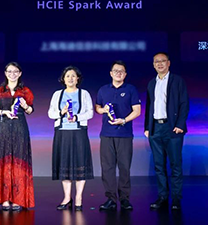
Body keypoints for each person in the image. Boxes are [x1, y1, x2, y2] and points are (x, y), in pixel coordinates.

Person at [144, 52, 189, 210]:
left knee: (175, 164)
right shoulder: (152, 83)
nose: (160, 63)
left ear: (169, 63)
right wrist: (147, 127)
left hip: (173, 128)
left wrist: (180, 124)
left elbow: (184, 103)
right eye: (157, 61)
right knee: (159, 165)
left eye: (163, 61)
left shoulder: (177, 80)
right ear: (153, 64)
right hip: (155, 128)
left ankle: (176, 199)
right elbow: (149, 106)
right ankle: (162, 197)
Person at [95, 60, 141, 211]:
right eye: (115, 71)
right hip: (106, 134)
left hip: (125, 134)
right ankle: (111, 198)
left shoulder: (131, 89)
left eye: (121, 71)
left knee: (124, 167)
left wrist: (124, 120)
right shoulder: (103, 90)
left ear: (125, 74)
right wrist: (102, 110)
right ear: (111, 73)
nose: (118, 73)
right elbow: (98, 107)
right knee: (107, 167)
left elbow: (137, 111)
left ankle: (125, 199)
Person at [0, 62, 35, 211]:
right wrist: (5, 112)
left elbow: (30, 110)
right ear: (5, 73)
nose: (12, 74)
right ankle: (4, 199)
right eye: (9, 71)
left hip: (20, 128)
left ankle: (18, 199)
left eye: (15, 71)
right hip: (3, 128)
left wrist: (25, 106)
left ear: (20, 73)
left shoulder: (25, 91)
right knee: (4, 161)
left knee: (19, 161)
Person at [48, 66, 94, 211]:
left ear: (78, 79)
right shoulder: (57, 94)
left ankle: (79, 197)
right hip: (62, 132)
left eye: (73, 76)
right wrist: (61, 112)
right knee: (65, 165)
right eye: (67, 76)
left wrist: (77, 117)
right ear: (63, 79)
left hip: (79, 132)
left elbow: (90, 113)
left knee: (80, 164)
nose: (70, 78)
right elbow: (50, 113)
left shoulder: (84, 94)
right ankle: (67, 197)